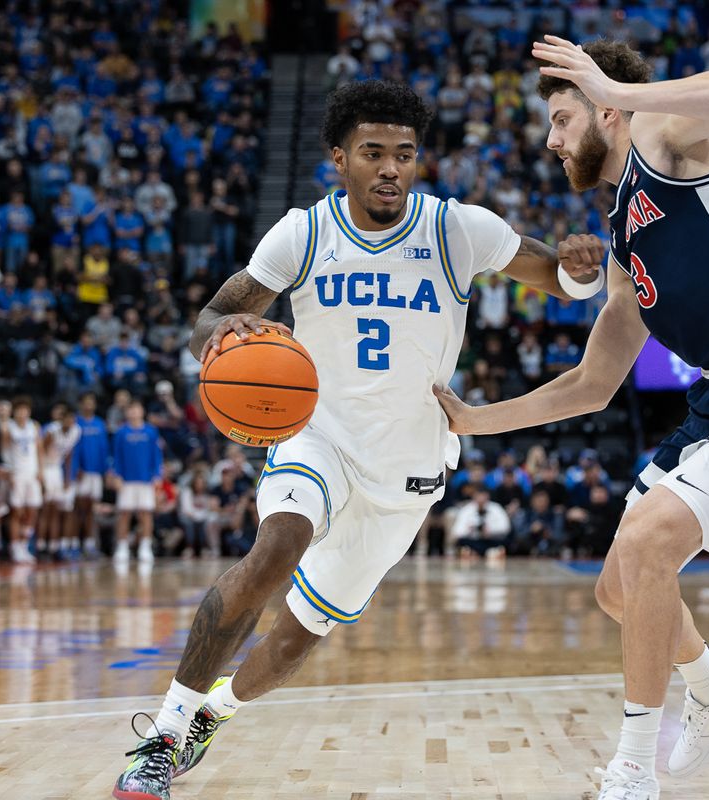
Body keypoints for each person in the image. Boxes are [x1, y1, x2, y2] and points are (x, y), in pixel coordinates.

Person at [111, 78, 604, 800]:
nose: (390, 168)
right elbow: (206, 322)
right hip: (319, 436)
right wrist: (224, 332)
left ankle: (215, 711)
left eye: (404, 154)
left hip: (408, 466)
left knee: (295, 638)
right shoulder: (304, 233)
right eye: (372, 153)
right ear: (338, 158)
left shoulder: (456, 229)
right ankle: (164, 732)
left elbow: (558, 278)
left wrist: (582, 268)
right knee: (275, 547)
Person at [433, 39, 709, 799]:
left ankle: (632, 771)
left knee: (652, 538)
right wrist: (472, 421)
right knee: (618, 589)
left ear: (605, 108)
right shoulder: (626, 231)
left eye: (562, 119)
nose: (553, 141)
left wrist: (616, 86)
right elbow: (594, 385)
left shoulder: (665, 141)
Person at [110, 399, 162, 564]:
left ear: (142, 411)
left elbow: (156, 455)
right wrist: (116, 475)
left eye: (136, 408)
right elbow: (116, 456)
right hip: (126, 480)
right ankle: (122, 547)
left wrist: (157, 475)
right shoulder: (121, 432)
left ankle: (145, 547)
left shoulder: (151, 431)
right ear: (126, 413)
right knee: (124, 514)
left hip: (146, 479)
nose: (133, 412)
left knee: (145, 514)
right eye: (130, 409)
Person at [2, 396, 43, 564]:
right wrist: (9, 472)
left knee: (32, 510)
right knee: (16, 511)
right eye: (19, 410)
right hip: (17, 473)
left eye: (25, 410)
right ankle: (15, 545)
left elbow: (39, 449)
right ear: (14, 412)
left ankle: (24, 544)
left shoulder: (34, 426)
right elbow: (4, 451)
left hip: (32, 473)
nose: (22, 413)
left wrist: (40, 471)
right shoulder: (8, 427)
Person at [39, 401, 81, 560]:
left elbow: (69, 454)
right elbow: (40, 452)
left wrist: (67, 477)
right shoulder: (51, 431)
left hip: (57, 469)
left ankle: (54, 547)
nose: (70, 422)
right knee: (45, 510)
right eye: (67, 418)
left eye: (72, 418)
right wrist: (40, 475)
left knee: (56, 510)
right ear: (61, 419)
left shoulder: (76, 431)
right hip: (46, 468)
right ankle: (40, 546)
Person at [73, 391, 110, 557]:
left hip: (96, 473)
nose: (89, 405)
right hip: (81, 472)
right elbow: (73, 448)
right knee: (78, 508)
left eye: (91, 401)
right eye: (86, 402)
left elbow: (104, 449)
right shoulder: (76, 422)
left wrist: (104, 471)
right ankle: (74, 542)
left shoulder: (100, 424)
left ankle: (89, 543)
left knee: (91, 510)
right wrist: (76, 468)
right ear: (81, 404)